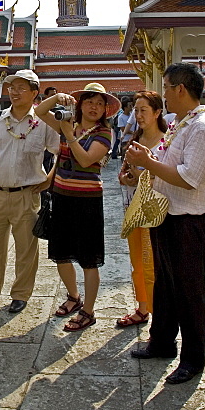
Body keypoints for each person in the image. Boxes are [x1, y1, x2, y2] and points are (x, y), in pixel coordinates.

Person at [125, 62, 205, 384]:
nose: (164, 94)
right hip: (167, 214)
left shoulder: (202, 127)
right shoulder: (181, 124)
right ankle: (162, 341)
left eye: (166, 87)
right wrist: (141, 170)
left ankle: (193, 358)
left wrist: (147, 162)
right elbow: (165, 168)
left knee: (189, 291)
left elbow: (189, 177)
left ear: (180, 89)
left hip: (189, 220)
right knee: (165, 285)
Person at [0, 70, 59, 315]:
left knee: (26, 249)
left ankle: (21, 294)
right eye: (11, 87)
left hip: (27, 194)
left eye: (21, 88)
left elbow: (62, 150)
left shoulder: (43, 123)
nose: (14, 92)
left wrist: (50, 179)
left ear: (34, 93)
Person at [36, 83, 118, 333]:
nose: (95, 107)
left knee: (89, 259)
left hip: (87, 201)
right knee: (60, 253)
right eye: (90, 101)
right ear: (80, 104)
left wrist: (68, 134)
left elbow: (85, 159)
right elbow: (39, 111)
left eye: (100, 103)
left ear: (105, 109)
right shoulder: (67, 122)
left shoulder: (104, 133)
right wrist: (58, 99)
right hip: (62, 197)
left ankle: (89, 311)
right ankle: (73, 296)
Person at [116, 90, 166, 327]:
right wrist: (127, 177)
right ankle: (142, 307)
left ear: (157, 112)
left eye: (144, 110)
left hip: (155, 212)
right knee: (137, 261)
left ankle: (159, 314)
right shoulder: (135, 142)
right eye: (136, 110)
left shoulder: (167, 143)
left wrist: (140, 176)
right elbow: (124, 174)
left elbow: (169, 179)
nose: (138, 115)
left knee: (152, 263)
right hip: (133, 208)